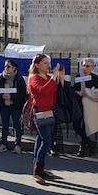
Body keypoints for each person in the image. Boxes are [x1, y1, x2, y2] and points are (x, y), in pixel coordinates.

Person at [28, 54, 64, 184]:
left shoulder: (49, 78)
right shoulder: (34, 78)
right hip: (40, 112)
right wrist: (53, 77)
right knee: (47, 142)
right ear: (37, 65)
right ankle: (37, 172)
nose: (48, 65)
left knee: (40, 140)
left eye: (49, 63)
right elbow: (43, 90)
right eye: (45, 63)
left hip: (49, 112)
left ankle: (38, 170)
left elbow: (56, 91)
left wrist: (60, 78)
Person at [0, 59, 27, 154]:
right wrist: (2, 96)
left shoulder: (19, 78)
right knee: (4, 125)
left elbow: (22, 93)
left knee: (17, 125)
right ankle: (3, 144)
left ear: (14, 68)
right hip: (4, 106)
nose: (6, 68)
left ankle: (17, 145)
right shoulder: (1, 78)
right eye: (5, 66)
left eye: (8, 66)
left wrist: (12, 96)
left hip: (16, 106)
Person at [73, 58, 98, 157]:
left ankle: (82, 149)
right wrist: (78, 92)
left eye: (87, 66)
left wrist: (89, 92)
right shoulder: (78, 77)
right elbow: (74, 90)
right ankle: (90, 143)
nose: (84, 68)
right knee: (76, 126)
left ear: (92, 68)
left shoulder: (95, 78)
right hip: (78, 105)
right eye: (83, 66)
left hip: (89, 105)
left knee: (86, 126)